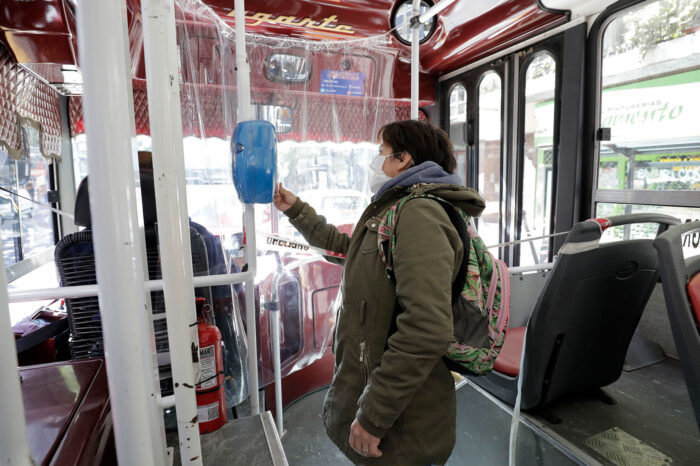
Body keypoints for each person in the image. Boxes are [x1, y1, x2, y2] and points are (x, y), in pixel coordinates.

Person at [273, 120, 485, 465]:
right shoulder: (396, 210)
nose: (376, 161)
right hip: (391, 410)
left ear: (402, 159)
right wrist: (296, 210)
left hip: (404, 428)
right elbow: (352, 248)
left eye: (381, 152)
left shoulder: (419, 214)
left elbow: (426, 328)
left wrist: (373, 416)